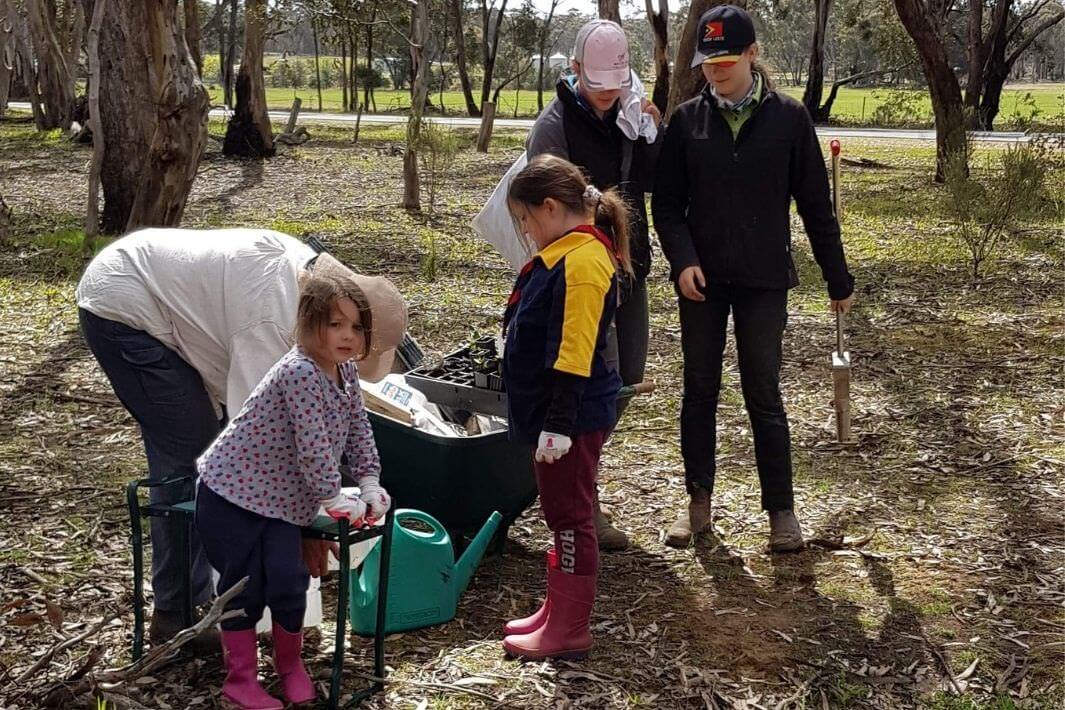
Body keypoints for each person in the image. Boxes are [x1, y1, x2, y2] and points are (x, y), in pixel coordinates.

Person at [76, 229, 407, 647]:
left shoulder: (318, 310)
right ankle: (175, 616)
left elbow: (344, 430)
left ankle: (228, 604)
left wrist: (356, 488)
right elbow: (263, 443)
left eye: (357, 334)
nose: (349, 340)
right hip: (125, 302)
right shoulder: (273, 329)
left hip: (173, 302)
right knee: (196, 460)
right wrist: (308, 524)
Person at [652, 5, 855, 551]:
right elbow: (667, 206)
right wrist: (682, 260)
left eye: (724, 59)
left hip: (764, 279)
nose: (714, 70)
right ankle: (697, 503)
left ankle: (781, 511)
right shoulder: (686, 121)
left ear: (752, 54)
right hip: (703, 282)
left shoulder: (789, 120)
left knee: (763, 393)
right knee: (699, 390)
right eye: (707, 60)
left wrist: (838, 279)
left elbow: (816, 205)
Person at [194, 264, 392, 709]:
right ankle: (240, 679)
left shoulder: (346, 374)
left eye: (356, 326)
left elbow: (358, 428)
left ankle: (290, 665)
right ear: (309, 324)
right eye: (335, 324)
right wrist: (335, 498)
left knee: (288, 578)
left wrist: (369, 480)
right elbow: (313, 449)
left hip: (281, 502)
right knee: (244, 586)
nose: (347, 335)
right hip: (233, 494)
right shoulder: (300, 372)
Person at [525, 19, 661, 551]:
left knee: (625, 375)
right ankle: (582, 505)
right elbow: (542, 208)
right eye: (599, 83)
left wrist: (651, 132)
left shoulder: (629, 110)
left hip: (628, 266)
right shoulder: (553, 127)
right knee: (585, 381)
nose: (608, 95)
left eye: (617, 84)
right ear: (576, 69)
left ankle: (576, 477)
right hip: (579, 279)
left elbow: (651, 180)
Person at [500, 154, 629, 660]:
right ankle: (556, 609)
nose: (526, 232)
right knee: (559, 513)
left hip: (569, 418)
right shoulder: (566, 253)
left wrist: (557, 426)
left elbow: (574, 350)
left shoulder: (582, 262)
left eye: (525, 220)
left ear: (550, 208)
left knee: (572, 517)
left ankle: (570, 627)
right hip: (555, 416)